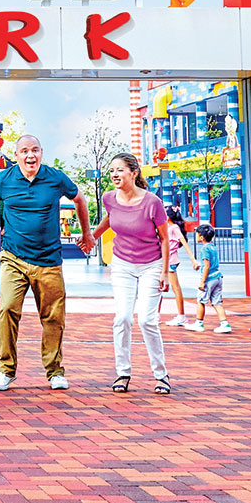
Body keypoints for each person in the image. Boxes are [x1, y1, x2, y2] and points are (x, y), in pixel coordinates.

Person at [0, 134, 93, 391]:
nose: (30, 156)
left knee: (53, 317)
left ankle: (54, 371)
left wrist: (87, 233)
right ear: (16, 155)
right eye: (24, 151)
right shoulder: (4, 179)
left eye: (35, 151)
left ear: (41, 153)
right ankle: (6, 370)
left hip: (49, 260)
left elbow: (79, 199)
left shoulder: (55, 177)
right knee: (7, 309)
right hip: (13, 258)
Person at [91, 153, 172, 395]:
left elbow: (165, 238)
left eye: (120, 170)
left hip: (151, 265)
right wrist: (91, 237)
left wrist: (165, 273)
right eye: (112, 171)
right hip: (122, 265)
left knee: (147, 320)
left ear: (134, 173)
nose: (114, 175)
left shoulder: (152, 202)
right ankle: (123, 372)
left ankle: (161, 375)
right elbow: (109, 219)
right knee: (122, 318)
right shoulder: (109, 199)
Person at [189, 223, 231, 334]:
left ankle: (199, 323)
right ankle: (224, 324)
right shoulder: (213, 247)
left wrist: (202, 282)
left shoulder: (204, 249)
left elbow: (207, 265)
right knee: (217, 302)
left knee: (201, 300)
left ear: (201, 237)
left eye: (197, 234)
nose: (196, 236)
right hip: (217, 277)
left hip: (209, 279)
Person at [163, 207, 194, 328]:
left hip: (171, 261)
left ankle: (181, 316)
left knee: (176, 288)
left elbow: (184, 243)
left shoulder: (174, 228)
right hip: (166, 261)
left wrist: (192, 259)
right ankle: (157, 315)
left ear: (168, 217)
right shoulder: (168, 228)